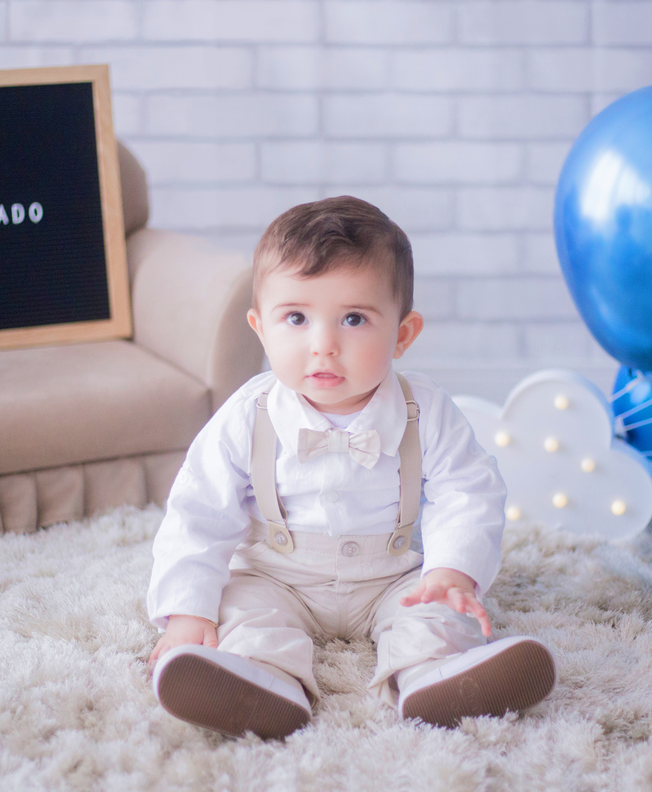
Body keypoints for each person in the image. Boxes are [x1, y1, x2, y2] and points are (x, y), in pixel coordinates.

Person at [146, 196, 556, 739]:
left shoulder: (425, 409)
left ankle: (434, 676)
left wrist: (453, 569)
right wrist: (186, 611)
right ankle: (261, 683)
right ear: (260, 327)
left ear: (403, 334)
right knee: (242, 610)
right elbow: (198, 511)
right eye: (296, 317)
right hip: (278, 573)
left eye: (354, 319)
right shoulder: (248, 415)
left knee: (432, 613)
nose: (324, 346)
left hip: (392, 574)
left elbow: (468, 491)